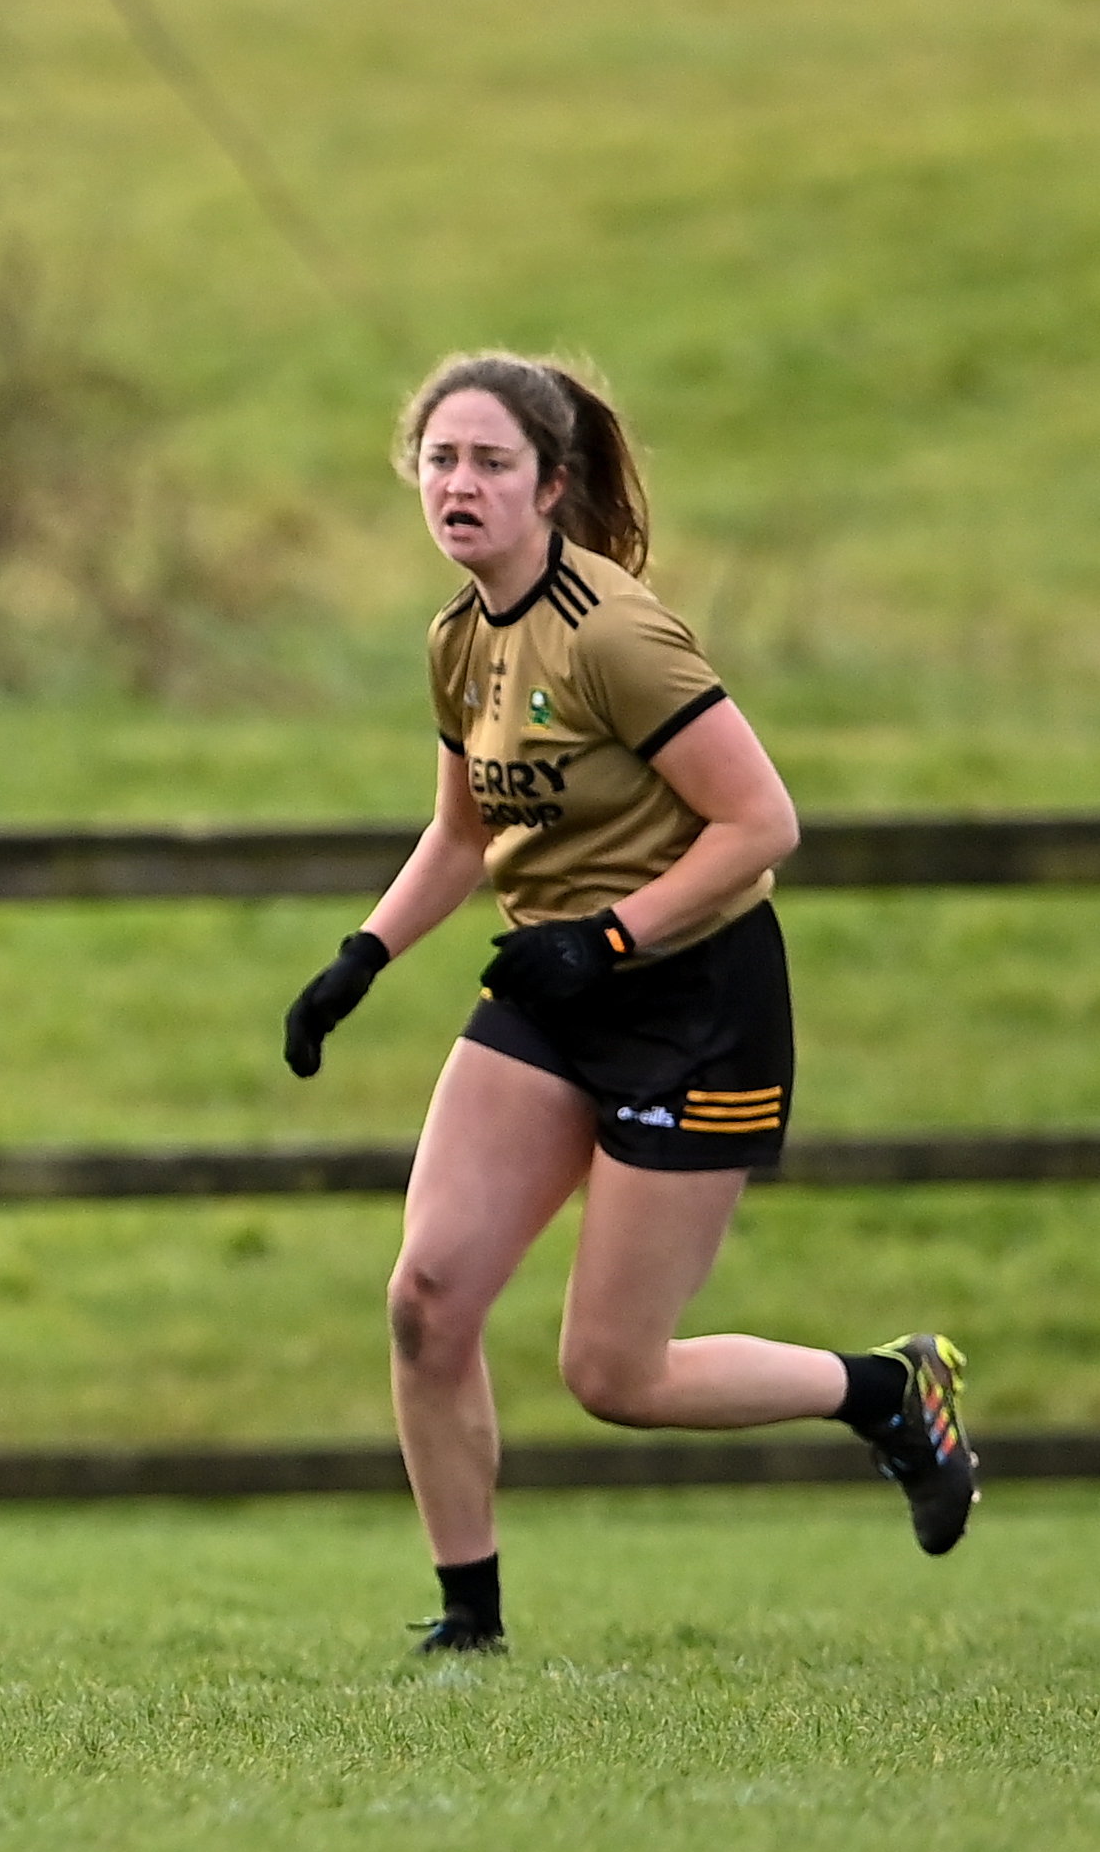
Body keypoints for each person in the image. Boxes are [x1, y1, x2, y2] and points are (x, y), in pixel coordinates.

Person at [278, 353, 974, 1653]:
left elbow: (760, 821)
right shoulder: (456, 640)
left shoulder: (611, 630)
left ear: (548, 483)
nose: (458, 483)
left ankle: (883, 1388)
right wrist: (358, 958)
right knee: (424, 1296)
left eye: (488, 461)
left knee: (614, 1374)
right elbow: (459, 833)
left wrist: (606, 933)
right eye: (439, 459)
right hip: (554, 992)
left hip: (692, 998)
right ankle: (465, 1624)